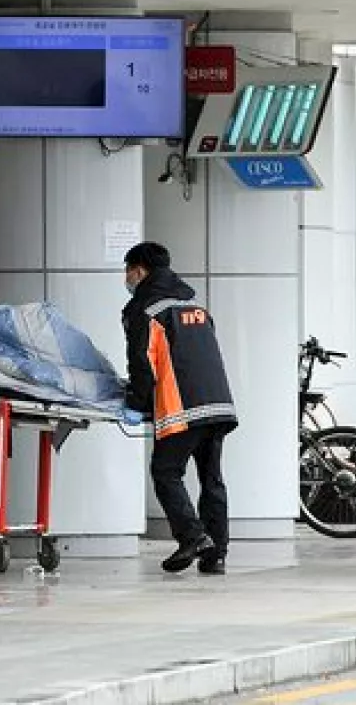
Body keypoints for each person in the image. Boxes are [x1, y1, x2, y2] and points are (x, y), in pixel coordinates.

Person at [122, 242, 238, 575]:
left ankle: (193, 536)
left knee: (165, 472)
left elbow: (143, 363)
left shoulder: (144, 311)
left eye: (128, 270)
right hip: (218, 404)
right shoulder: (195, 306)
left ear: (140, 270)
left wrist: (136, 403)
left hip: (182, 407)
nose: (126, 278)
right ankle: (216, 553)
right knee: (212, 478)